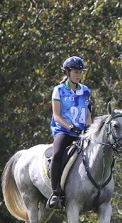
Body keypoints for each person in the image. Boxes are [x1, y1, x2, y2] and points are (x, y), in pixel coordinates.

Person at [46, 56, 92, 209]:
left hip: (82, 132)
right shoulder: (58, 90)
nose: (78, 75)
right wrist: (71, 127)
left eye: (80, 72)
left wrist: (88, 129)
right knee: (58, 153)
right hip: (64, 131)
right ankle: (55, 193)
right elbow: (57, 116)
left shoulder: (85, 91)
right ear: (67, 72)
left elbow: (88, 115)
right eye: (75, 72)